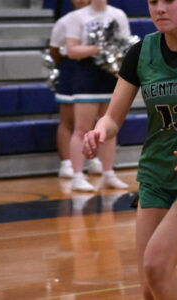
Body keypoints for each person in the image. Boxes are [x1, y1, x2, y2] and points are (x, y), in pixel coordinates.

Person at [82, 0, 177, 297]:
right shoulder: (140, 52)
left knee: (156, 267)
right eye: (153, 2)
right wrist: (100, 130)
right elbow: (113, 117)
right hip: (154, 175)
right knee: (150, 289)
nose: (159, 9)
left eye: (167, 1)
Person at [65, 0, 130, 191]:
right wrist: (100, 49)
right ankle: (78, 175)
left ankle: (109, 173)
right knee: (82, 129)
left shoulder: (118, 14)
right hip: (86, 76)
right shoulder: (77, 17)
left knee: (109, 128)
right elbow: (71, 50)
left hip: (111, 76)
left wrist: (114, 58)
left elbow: (126, 46)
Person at [49, 0, 104, 179]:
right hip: (71, 70)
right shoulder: (65, 21)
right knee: (68, 120)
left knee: (93, 121)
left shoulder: (104, 17)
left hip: (94, 71)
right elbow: (54, 50)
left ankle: (92, 159)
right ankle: (66, 162)